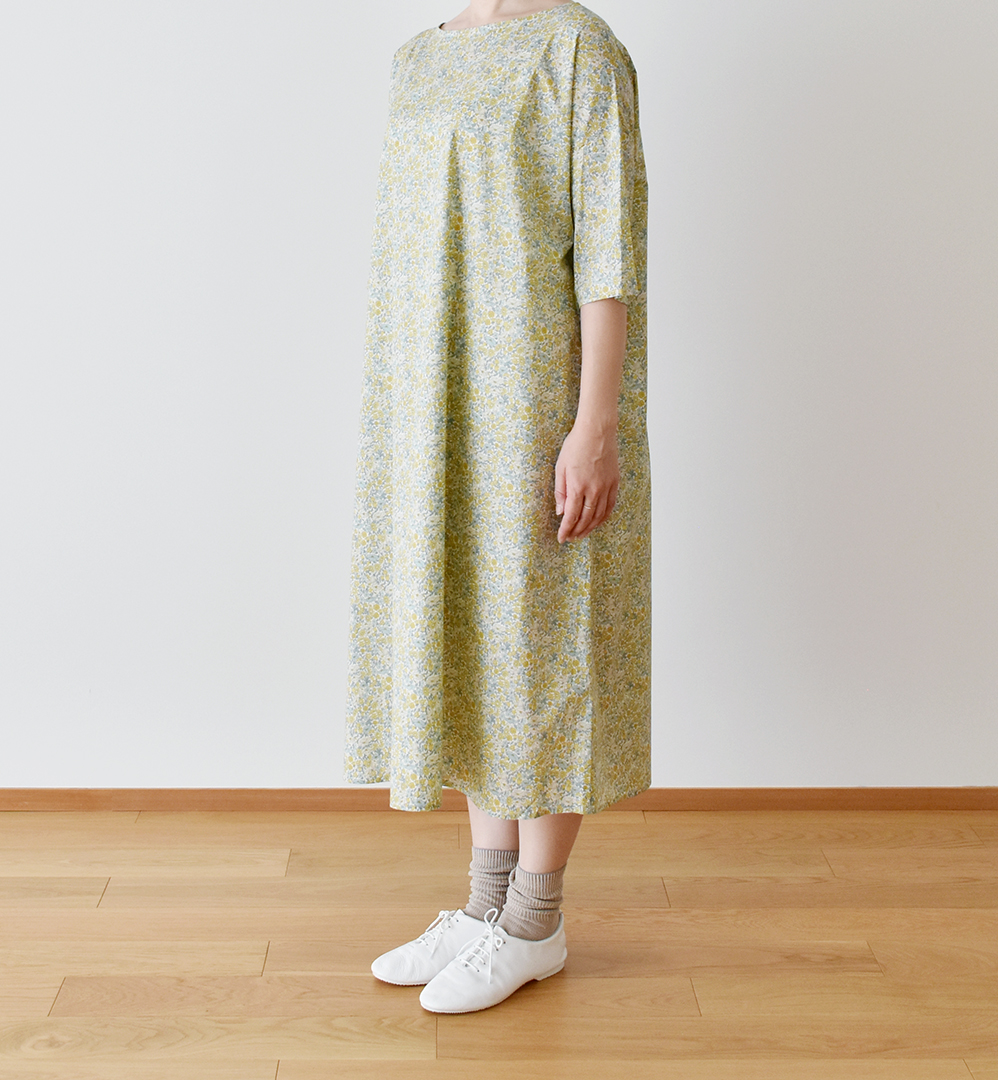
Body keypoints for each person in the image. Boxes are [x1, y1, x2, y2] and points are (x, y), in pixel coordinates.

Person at [344, 0, 649, 1013]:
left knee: (542, 640)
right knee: (475, 637)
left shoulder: (579, 49)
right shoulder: (416, 58)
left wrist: (594, 423)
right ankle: (485, 905)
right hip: (432, 395)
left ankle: (535, 920)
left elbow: (608, 251)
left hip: (533, 393)